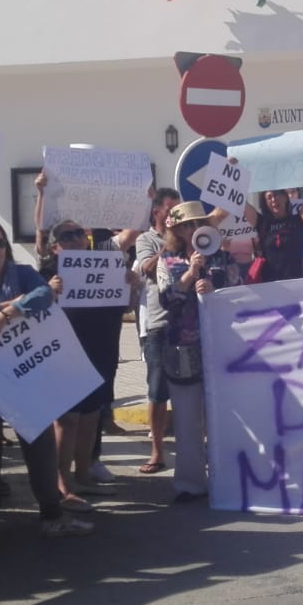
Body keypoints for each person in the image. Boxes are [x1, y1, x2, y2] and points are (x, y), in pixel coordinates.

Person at [0, 219, 93, 548]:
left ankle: (51, 517)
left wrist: (8, 312)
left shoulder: (23, 273)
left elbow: (44, 293)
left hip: (25, 374)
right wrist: (11, 307)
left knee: (40, 447)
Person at [35, 217, 130, 512]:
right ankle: (62, 482)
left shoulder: (103, 264)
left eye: (79, 233)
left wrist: (131, 285)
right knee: (68, 419)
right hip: (65, 352)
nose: (76, 239)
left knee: (91, 416)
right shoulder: (47, 272)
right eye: (67, 235)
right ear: (55, 246)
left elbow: (123, 307)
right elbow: (34, 310)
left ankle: (83, 474)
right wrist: (49, 289)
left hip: (101, 348)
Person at [156, 201, 235, 503]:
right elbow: (166, 301)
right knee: (188, 421)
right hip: (182, 350)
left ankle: (224, 478)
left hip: (219, 348)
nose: (190, 230)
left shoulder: (222, 256)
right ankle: (190, 483)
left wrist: (216, 292)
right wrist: (189, 276)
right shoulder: (168, 261)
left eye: (195, 224)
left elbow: (236, 295)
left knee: (221, 418)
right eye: (183, 226)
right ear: (175, 230)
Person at [133, 188, 181, 474]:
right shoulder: (145, 239)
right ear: (157, 212)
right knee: (157, 391)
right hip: (158, 324)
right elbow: (147, 269)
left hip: (185, 323)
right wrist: (168, 244)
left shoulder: (187, 237)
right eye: (171, 209)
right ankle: (157, 452)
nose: (176, 214)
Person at [246, 189, 303, 282]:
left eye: (276, 195)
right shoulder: (262, 223)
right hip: (270, 286)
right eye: (269, 197)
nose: (273, 200)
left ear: (285, 197)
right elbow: (241, 203)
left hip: (295, 284)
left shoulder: (297, 220)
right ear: (265, 202)